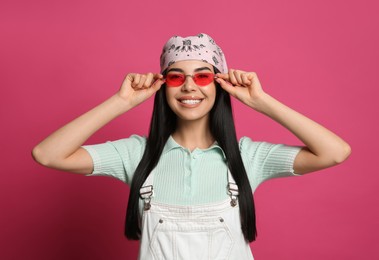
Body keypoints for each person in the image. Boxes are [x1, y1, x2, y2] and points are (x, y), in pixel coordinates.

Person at [32, 33, 351, 259]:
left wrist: (261, 101)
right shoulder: (136, 155)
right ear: (163, 86)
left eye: (202, 76)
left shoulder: (247, 157)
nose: (188, 86)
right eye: (175, 77)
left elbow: (335, 152)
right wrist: (120, 102)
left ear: (219, 84)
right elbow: (47, 154)